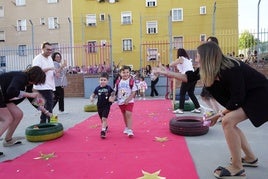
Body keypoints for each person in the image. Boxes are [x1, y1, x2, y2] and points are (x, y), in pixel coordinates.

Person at [155, 42, 266, 179]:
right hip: (247, 97)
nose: (195, 59)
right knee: (230, 122)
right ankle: (250, 158)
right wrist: (167, 73)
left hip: (260, 95)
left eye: (197, 56)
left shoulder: (231, 68)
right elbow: (189, 78)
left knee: (227, 122)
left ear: (206, 57)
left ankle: (237, 167)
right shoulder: (208, 69)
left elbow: (238, 97)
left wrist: (218, 114)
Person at [0, 66, 46, 156]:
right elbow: (11, 91)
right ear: (34, 77)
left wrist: (42, 109)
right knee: (7, 119)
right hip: (1, 94)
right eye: (38, 80)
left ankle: (8, 140)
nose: (37, 83)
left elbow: (30, 98)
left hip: (4, 97)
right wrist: (29, 94)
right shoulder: (21, 76)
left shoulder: (28, 83)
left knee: (18, 114)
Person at [171, 48, 201, 114]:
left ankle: (181, 109)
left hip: (188, 75)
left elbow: (171, 64)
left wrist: (175, 62)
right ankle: (198, 107)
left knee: (182, 93)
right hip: (193, 76)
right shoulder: (187, 59)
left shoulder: (181, 58)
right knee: (191, 93)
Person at [32, 42, 56, 123]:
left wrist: (55, 73)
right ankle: (51, 122)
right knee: (49, 103)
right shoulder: (37, 58)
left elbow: (52, 70)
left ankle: (42, 121)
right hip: (41, 86)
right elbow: (36, 72)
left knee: (45, 104)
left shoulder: (49, 58)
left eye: (51, 50)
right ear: (42, 49)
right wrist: (49, 68)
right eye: (48, 49)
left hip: (49, 85)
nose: (50, 51)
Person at [200, 36, 222, 114]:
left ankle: (219, 114)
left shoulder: (216, 53)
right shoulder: (208, 53)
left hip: (213, 78)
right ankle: (217, 112)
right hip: (207, 78)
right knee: (204, 97)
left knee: (212, 97)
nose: (207, 43)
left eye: (209, 42)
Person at [90, 72, 115, 139]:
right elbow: (93, 94)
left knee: (104, 118)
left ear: (107, 81)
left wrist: (112, 97)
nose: (102, 81)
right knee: (102, 119)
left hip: (106, 105)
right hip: (99, 106)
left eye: (104, 80)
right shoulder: (97, 88)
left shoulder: (109, 88)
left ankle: (103, 131)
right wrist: (92, 98)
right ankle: (105, 126)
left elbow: (113, 93)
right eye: (101, 80)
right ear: (99, 80)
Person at [115, 65, 137, 137]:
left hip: (129, 101)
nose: (125, 74)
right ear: (120, 73)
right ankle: (127, 127)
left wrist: (128, 99)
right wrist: (112, 97)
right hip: (121, 101)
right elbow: (115, 90)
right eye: (123, 72)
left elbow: (134, 92)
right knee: (124, 115)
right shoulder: (118, 82)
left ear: (129, 73)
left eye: (127, 72)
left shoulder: (131, 81)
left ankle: (130, 130)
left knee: (128, 114)